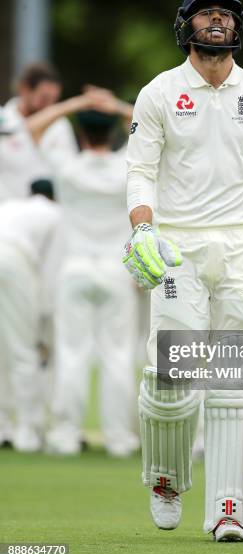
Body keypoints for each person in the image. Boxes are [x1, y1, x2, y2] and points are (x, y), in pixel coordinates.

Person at [123, 0, 243, 542]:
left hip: (241, 244)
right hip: (177, 243)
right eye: (206, 14)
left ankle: (228, 507)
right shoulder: (159, 92)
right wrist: (142, 229)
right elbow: (140, 170)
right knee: (172, 373)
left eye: (226, 15)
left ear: (239, 28)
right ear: (185, 24)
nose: (217, 22)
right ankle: (165, 478)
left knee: (235, 380)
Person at [27, 90, 143, 457]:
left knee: (72, 353)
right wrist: (119, 108)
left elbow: (31, 130)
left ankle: (64, 436)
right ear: (113, 134)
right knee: (118, 355)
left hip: (74, 268)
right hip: (115, 270)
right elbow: (156, 128)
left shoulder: (68, 167)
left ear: (80, 135)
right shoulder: (127, 165)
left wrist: (77, 104)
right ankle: (119, 439)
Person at [0, 180, 61, 451]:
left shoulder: (12, 206)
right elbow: (49, 273)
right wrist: (43, 326)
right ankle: (27, 433)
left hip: (10, 255)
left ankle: (4, 428)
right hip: (14, 262)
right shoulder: (57, 215)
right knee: (23, 351)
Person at [0, 62, 77, 201]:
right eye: (44, 98)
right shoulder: (2, 120)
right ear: (23, 88)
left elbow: (70, 171)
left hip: (49, 214)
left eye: (54, 100)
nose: (50, 106)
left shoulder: (61, 125)